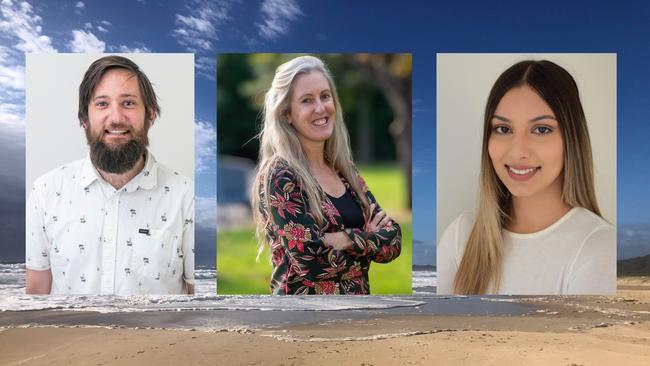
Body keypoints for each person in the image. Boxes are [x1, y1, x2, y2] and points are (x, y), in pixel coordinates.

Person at [437, 60, 615, 295]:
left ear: (571, 139)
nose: (517, 151)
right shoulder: (461, 235)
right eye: (503, 129)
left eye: (541, 129)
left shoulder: (601, 247)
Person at [25, 55, 194, 295]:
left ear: (150, 115)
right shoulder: (46, 191)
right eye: (102, 104)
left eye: (128, 103)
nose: (115, 118)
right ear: (85, 118)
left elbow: (197, 296)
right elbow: (36, 292)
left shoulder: (186, 196)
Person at [252, 55, 402, 295]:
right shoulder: (281, 175)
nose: (320, 108)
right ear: (287, 114)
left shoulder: (344, 170)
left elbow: (393, 242)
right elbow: (310, 264)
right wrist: (368, 241)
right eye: (307, 100)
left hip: (357, 316)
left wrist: (343, 239)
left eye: (325, 96)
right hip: (303, 320)